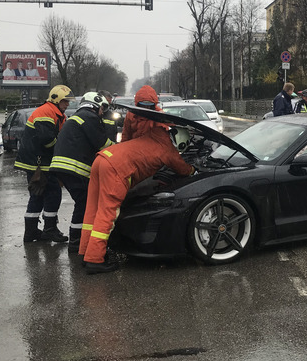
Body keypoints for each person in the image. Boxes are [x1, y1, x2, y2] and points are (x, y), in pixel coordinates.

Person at [77, 123, 195, 274]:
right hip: (117, 169)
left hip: (103, 159)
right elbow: (183, 169)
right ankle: (94, 259)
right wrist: (193, 169)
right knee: (108, 213)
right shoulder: (168, 150)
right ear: (181, 141)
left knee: (93, 209)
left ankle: (86, 251)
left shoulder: (155, 135)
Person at [49, 92, 115, 252]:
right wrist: (120, 149)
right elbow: (103, 144)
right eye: (102, 108)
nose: (102, 112)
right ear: (95, 105)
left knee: (82, 202)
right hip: (73, 168)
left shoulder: (78, 116)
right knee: (83, 203)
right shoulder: (90, 118)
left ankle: (77, 240)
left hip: (62, 167)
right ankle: (76, 242)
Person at [14, 84, 74, 243]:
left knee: (37, 195)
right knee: (53, 193)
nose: (67, 104)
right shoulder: (47, 112)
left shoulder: (56, 113)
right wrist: (61, 150)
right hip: (39, 162)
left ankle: (32, 232)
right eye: (65, 101)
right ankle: (49, 229)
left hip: (37, 161)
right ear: (56, 99)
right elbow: (47, 140)